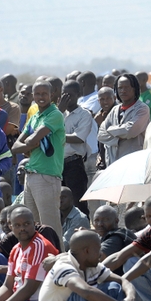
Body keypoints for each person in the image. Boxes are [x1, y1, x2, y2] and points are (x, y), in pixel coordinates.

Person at [11, 80, 65, 241]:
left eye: (44, 94)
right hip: (31, 174)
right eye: (37, 94)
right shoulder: (34, 117)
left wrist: (28, 145)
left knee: (50, 227)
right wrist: (29, 145)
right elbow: (16, 146)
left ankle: (58, 262)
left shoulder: (55, 114)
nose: (41, 97)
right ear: (33, 95)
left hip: (47, 176)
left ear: (52, 95)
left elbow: (32, 140)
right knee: (33, 227)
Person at [59, 80, 95, 216]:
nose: (66, 98)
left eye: (70, 95)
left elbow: (79, 138)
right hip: (57, 164)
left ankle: (83, 231)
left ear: (78, 94)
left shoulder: (84, 114)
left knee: (77, 201)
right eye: (64, 94)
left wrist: (59, 136)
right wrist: (59, 111)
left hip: (73, 163)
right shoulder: (58, 113)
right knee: (59, 203)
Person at [98, 74, 150, 165]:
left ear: (134, 89)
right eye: (120, 88)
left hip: (133, 163)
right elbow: (101, 135)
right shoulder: (114, 110)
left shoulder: (142, 109)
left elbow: (130, 131)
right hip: (113, 164)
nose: (123, 91)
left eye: (126, 87)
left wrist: (110, 130)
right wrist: (119, 138)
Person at [59, 186, 89, 251]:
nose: (60, 201)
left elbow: (65, 245)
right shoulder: (56, 216)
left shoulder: (80, 218)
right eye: (58, 198)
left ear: (72, 199)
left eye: (63, 197)